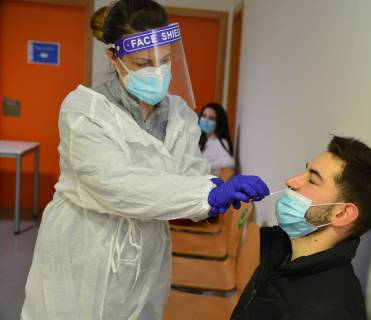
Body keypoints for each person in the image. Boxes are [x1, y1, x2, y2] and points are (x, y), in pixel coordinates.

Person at [21, 1, 269, 319]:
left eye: (164, 61)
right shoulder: (84, 111)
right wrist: (203, 194)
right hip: (87, 246)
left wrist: (216, 189)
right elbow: (116, 185)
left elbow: (187, 173)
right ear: (113, 57)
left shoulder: (179, 115)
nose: (157, 72)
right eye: (142, 63)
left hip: (147, 250)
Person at [231, 135, 371, 320]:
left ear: (342, 214)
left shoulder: (326, 311)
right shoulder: (283, 254)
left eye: (312, 180)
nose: (290, 181)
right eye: (304, 172)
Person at [198, 102, 235, 176]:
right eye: (204, 116)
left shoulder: (220, 142)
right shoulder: (200, 139)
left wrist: (209, 166)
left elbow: (230, 162)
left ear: (218, 122)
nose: (206, 120)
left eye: (211, 118)